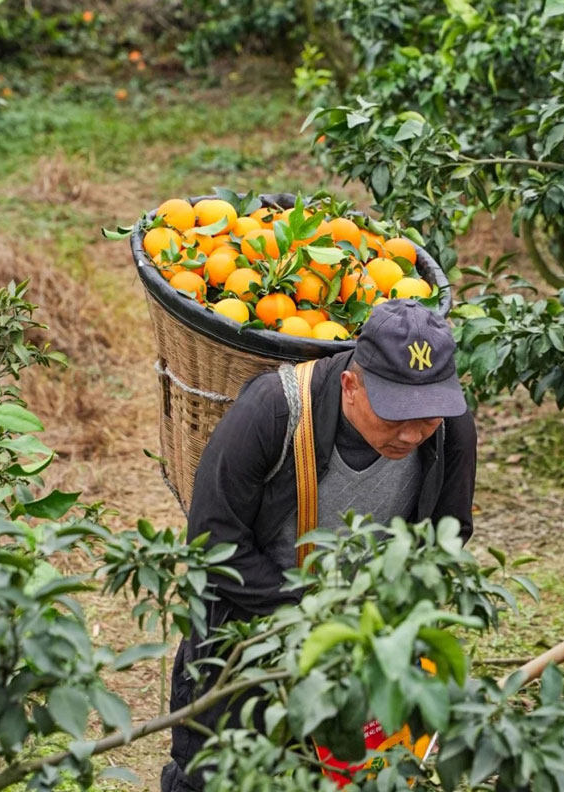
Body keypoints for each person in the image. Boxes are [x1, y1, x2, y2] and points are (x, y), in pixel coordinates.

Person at [161, 298, 477, 791]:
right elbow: (213, 543)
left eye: (428, 415)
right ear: (351, 385)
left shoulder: (450, 428)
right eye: (395, 414)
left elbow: (446, 537)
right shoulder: (274, 410)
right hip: (248, 629)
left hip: (366, 641)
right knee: (215, 773)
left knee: (353, 775)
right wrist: (313, 615)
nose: (412, 433)